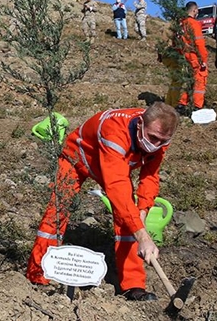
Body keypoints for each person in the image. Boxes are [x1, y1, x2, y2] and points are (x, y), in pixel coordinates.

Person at [26, 102, 180, 301]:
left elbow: (150, 177)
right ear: (140, 124)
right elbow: (117, 188)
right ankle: (37, 274)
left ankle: (133, 285)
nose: (156, 145)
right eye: (153, 138)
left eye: (163, 141)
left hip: (115, 166)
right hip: (77, 159)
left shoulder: (159, 135)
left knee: (130, 220)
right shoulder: (115, 130)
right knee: (57, 211)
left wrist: (142, 212)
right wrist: (142, 236)